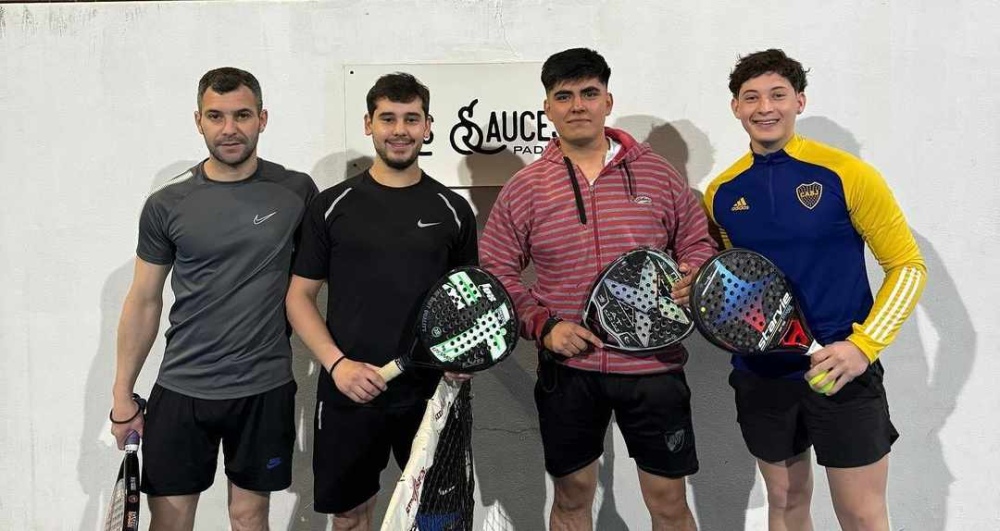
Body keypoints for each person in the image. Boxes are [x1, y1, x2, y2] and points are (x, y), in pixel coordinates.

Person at [480, 48, 716, 531]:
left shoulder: (658, 174)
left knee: (669, 502)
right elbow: (496, 271)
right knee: (571, 499)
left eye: (589, 93)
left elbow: (697, 242)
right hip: (570, 370)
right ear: (547, 108)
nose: (577, 105)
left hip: (654, 366)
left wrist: (695, 273)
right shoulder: (526, 187)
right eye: (563, 96)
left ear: (608, 100)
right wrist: (544, 326)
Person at [704, 49, 927, 531]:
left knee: (861, 515)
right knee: (784, 504)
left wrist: (863, 347)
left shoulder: (847, 174)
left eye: (778, 95)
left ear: (799, 102)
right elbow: (727, 280)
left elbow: (908, 267)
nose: (765, 107)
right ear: (736, 108)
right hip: (762, 374)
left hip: (841, 369)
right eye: (752, 97)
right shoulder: (720, 192)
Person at [109, 67, 317, 531]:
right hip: (184, 389)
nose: (229, 128)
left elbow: (310, 288)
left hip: (264, 387)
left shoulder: (297, 192)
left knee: (249, 517)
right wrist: (122, 396)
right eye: (216, 116)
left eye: (242, 115)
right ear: (198, 121)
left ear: (262, 118)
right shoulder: (167, 205)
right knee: (171, 520)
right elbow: (144, 300)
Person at [285, 72, 477, 530]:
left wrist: (462, 355)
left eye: (411, 119)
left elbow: (468, 302)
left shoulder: (452, 209)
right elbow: (299, 298)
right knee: (350, 517)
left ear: (428, 126)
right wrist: (338, 365)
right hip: (350, 388)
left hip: (433, 390)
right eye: (388, 118)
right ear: (369, 123)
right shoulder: (331, 205)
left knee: (438, 520)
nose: (400, 130)